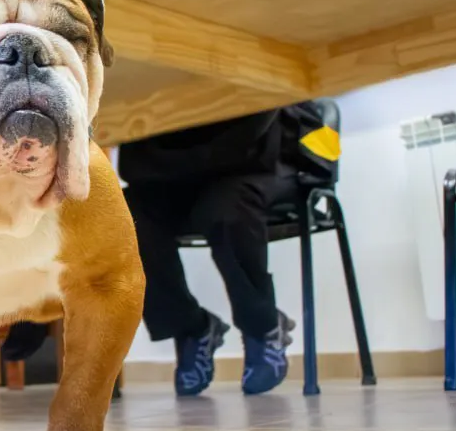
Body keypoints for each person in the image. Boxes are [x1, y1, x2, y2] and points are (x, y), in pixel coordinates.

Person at [118, 103, 336, 397]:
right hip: (187, 169)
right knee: (125, 215)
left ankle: (263, 326)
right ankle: (192, 326)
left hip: (265, 156)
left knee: (226, 208)